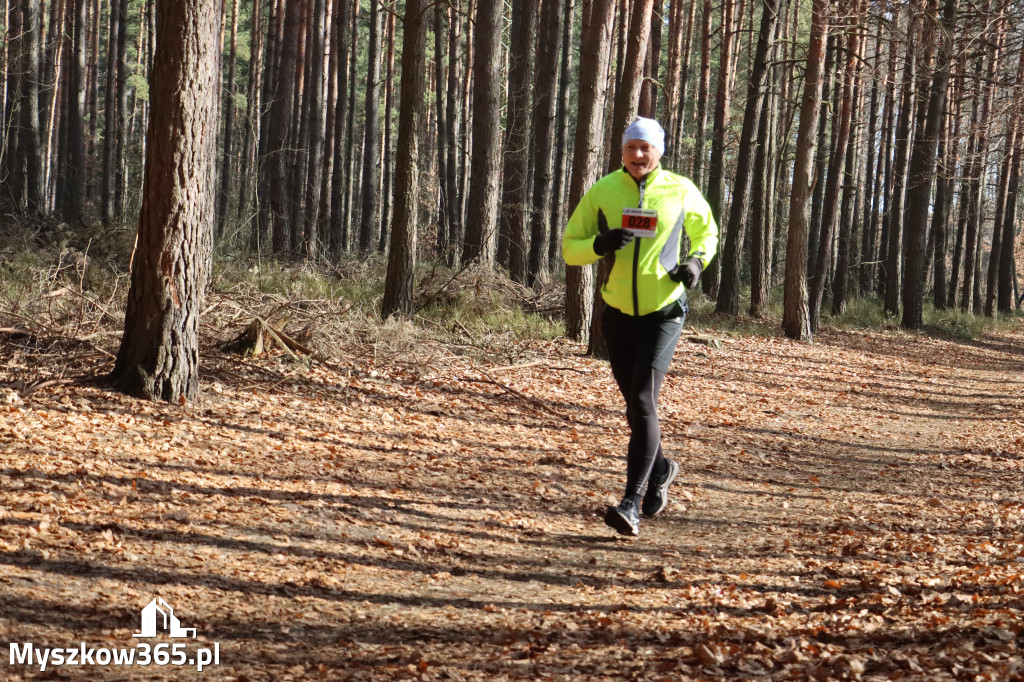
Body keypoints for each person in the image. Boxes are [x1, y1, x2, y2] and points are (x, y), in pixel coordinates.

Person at [561, 117, 718, 537]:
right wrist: (599, 243)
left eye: (646, 147)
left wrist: (696, 262)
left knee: (645, 400)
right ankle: (662, 468)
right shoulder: (604, 191)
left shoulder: (680, 190)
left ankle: (630, 502)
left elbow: (708, 231)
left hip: (664, 310)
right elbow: (570, 248)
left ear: (659, 150)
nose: (638, 155)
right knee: (634, 405)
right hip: (616, 313)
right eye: (631, 148)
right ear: (622, 151)